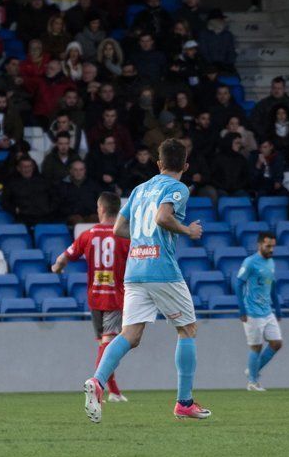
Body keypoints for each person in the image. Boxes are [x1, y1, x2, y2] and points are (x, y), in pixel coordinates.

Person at [85, 138, 211, 422]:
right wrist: (187, 230)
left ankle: (97, 382)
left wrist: (142, 239)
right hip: (161, 269)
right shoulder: (177, 187)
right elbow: (163, 217)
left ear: (158, 164)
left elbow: (118, 228)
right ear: (186, 166)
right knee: (187, 329)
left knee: (130, 335)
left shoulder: (139, 189)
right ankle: (184, 402)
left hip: (135, 270)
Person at [53, 192, 130, 402]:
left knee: (105, 346)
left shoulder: (88, 234)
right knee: (108, 346)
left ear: (101, 208)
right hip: (115, 298)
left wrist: (56, 268)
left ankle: (113, 391)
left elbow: (63, 258)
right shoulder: (125, 235)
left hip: (95, 298)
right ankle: (97, 387)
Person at [233, 232, 283, 392]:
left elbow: (272, 286)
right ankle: (252, 382)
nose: (271, 249)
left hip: (267, 311)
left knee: (276, 343)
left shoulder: (271, 262)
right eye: (268, 246)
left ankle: (252, 369)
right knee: (256, 347)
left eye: (273, 246)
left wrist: (278, 307)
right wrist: (242, 309)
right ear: (259, 245)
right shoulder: (250, 262)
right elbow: (238, 284)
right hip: (252, 311)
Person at [0, 156, 59, 225]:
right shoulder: (12, 183)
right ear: (18, 168)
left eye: (29, 166)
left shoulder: (44, 180)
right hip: (23, 219)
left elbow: (55, 197)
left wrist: (49, 209)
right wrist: (14, 209)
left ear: (33, 167)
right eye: (24, 167)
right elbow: (4, 201)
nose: (27, 169)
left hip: (44, 218)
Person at [59, 160, 103, 225]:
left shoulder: (93, 184)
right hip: (72, 216)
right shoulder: (63, 186)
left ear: (85, 170)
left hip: (91, 214)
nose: (78, 172)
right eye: (75, 170)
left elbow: (100, 201)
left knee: (95, 218)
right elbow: (60, 205)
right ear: (71, 171)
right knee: (77, 219)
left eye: (81, 170)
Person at [198, 9, 237, 75]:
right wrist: (212, 64)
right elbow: (203, 51)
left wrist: (227, 64)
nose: (219, 21)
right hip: (209, 68)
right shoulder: (204, 34)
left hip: (225, 68)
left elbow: (231, 51)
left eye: (220, 19)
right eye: (217, 19)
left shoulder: (228, 35)